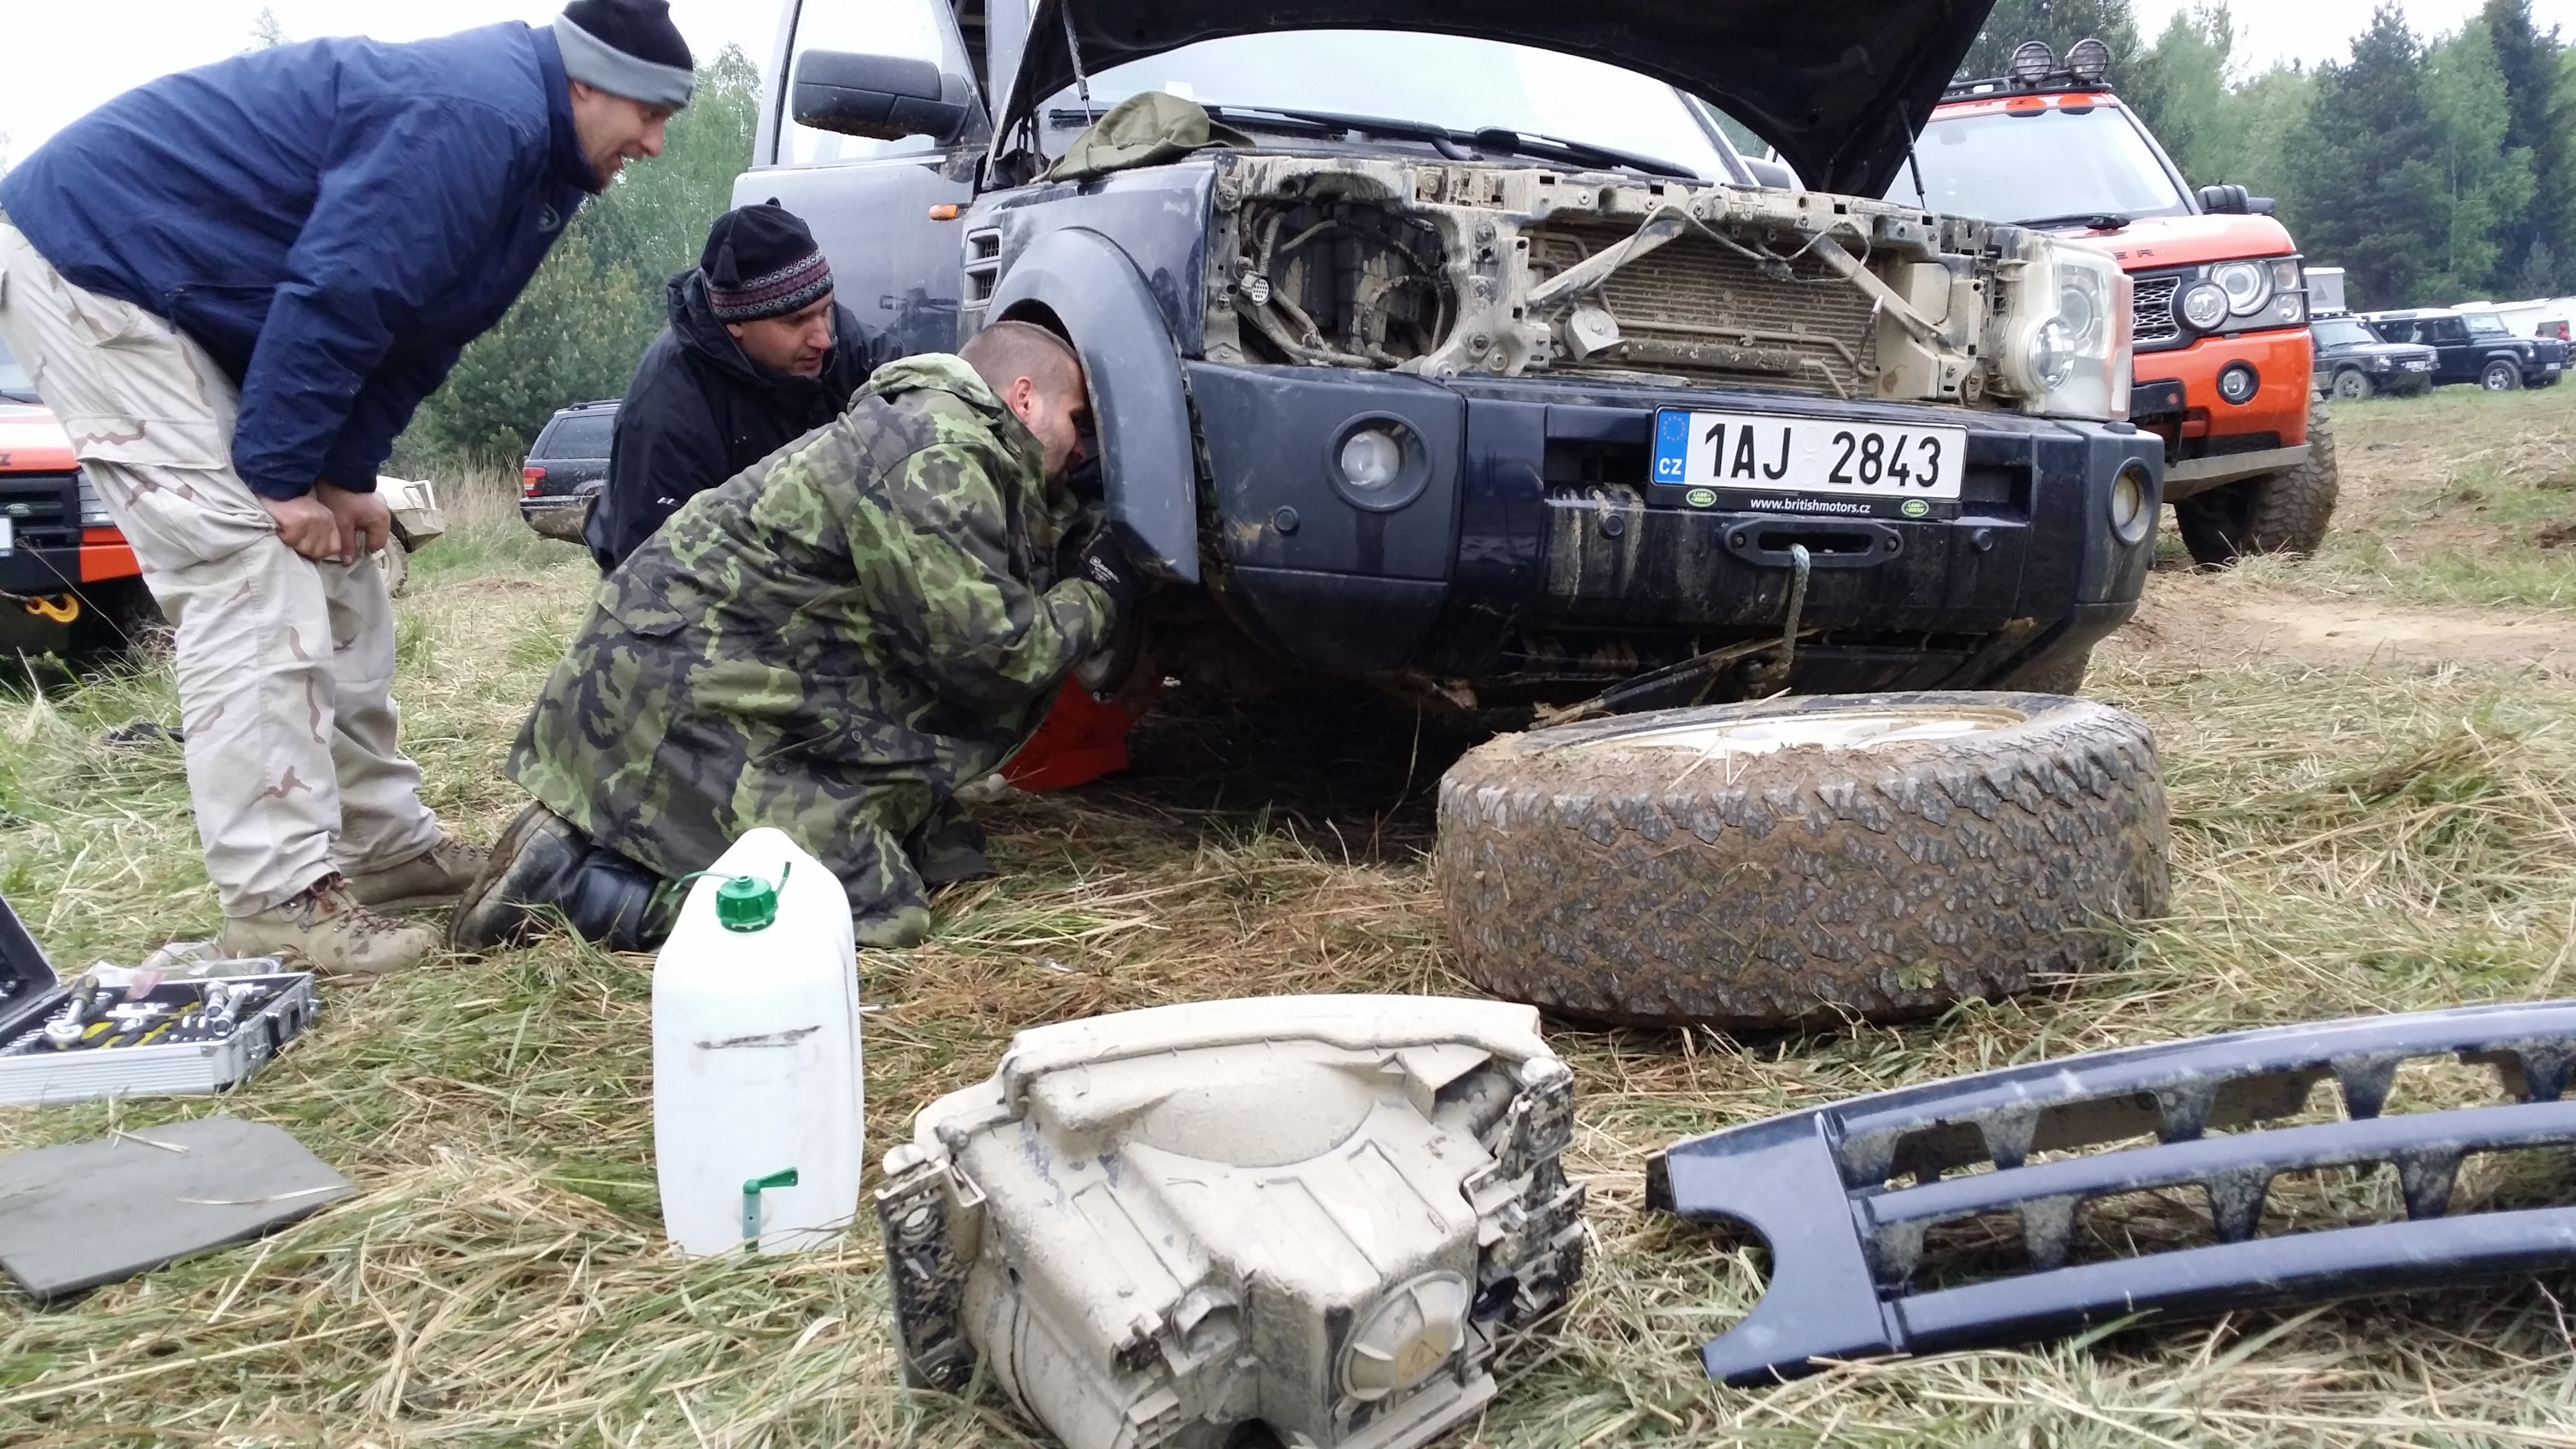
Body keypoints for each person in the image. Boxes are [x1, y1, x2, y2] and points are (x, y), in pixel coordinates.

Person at [0, 0, 695, 976]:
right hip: (99, 262)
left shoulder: (546, 169)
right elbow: (343, 291)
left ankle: (384, 848)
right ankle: (277, 898)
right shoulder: (475, 115)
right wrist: (283, 480)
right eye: (649, 115)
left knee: (345, 559)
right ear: (585, 83)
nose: (655, 145)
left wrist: (344, 477)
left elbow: (424, 333)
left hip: (212, 303)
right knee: (249, 566)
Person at [450, 322, 1141, 953]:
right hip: (676, 708)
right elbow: (993, 657)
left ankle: (596, 849)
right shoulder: (935, 453)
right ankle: (571, 892)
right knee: (861, 912)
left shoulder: (927, 431)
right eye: (1077, 421)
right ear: (1023, 398)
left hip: (689, 682)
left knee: (926, 849)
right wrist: (1101, 589)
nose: (1081, 448)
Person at [584, 202, 897, 570]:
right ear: (736, 323)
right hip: (698, 574)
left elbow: (923, 407)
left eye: (826, 309)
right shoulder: (666, 411)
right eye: (796, 321)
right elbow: (655, 572)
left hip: (810, 551)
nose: (824, 338)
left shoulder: (845, 341)